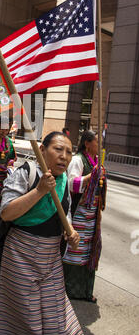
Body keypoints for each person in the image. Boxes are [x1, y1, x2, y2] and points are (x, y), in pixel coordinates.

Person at [0, 131, 84, 335]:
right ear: (42, 151)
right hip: (18, 259)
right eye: (58, 149)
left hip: (50, 263)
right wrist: (39, 191)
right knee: (25, 323)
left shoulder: (63, 182)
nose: (64, 156)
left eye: (69, 152)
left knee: (58, 319)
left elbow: (67, 215)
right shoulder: (26, 173)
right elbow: (7, 212)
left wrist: (71, 233)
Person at [62, 130, 106, 303]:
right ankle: (69, 288)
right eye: (97, 142)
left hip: (92, 216)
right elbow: (71, 183)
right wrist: (90, 176)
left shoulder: (96, 161)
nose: (99, 145)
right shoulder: (78, 160)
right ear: (87, 143)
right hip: (79, 213)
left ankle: (85, 290)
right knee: (74, 251)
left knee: (88, 252)